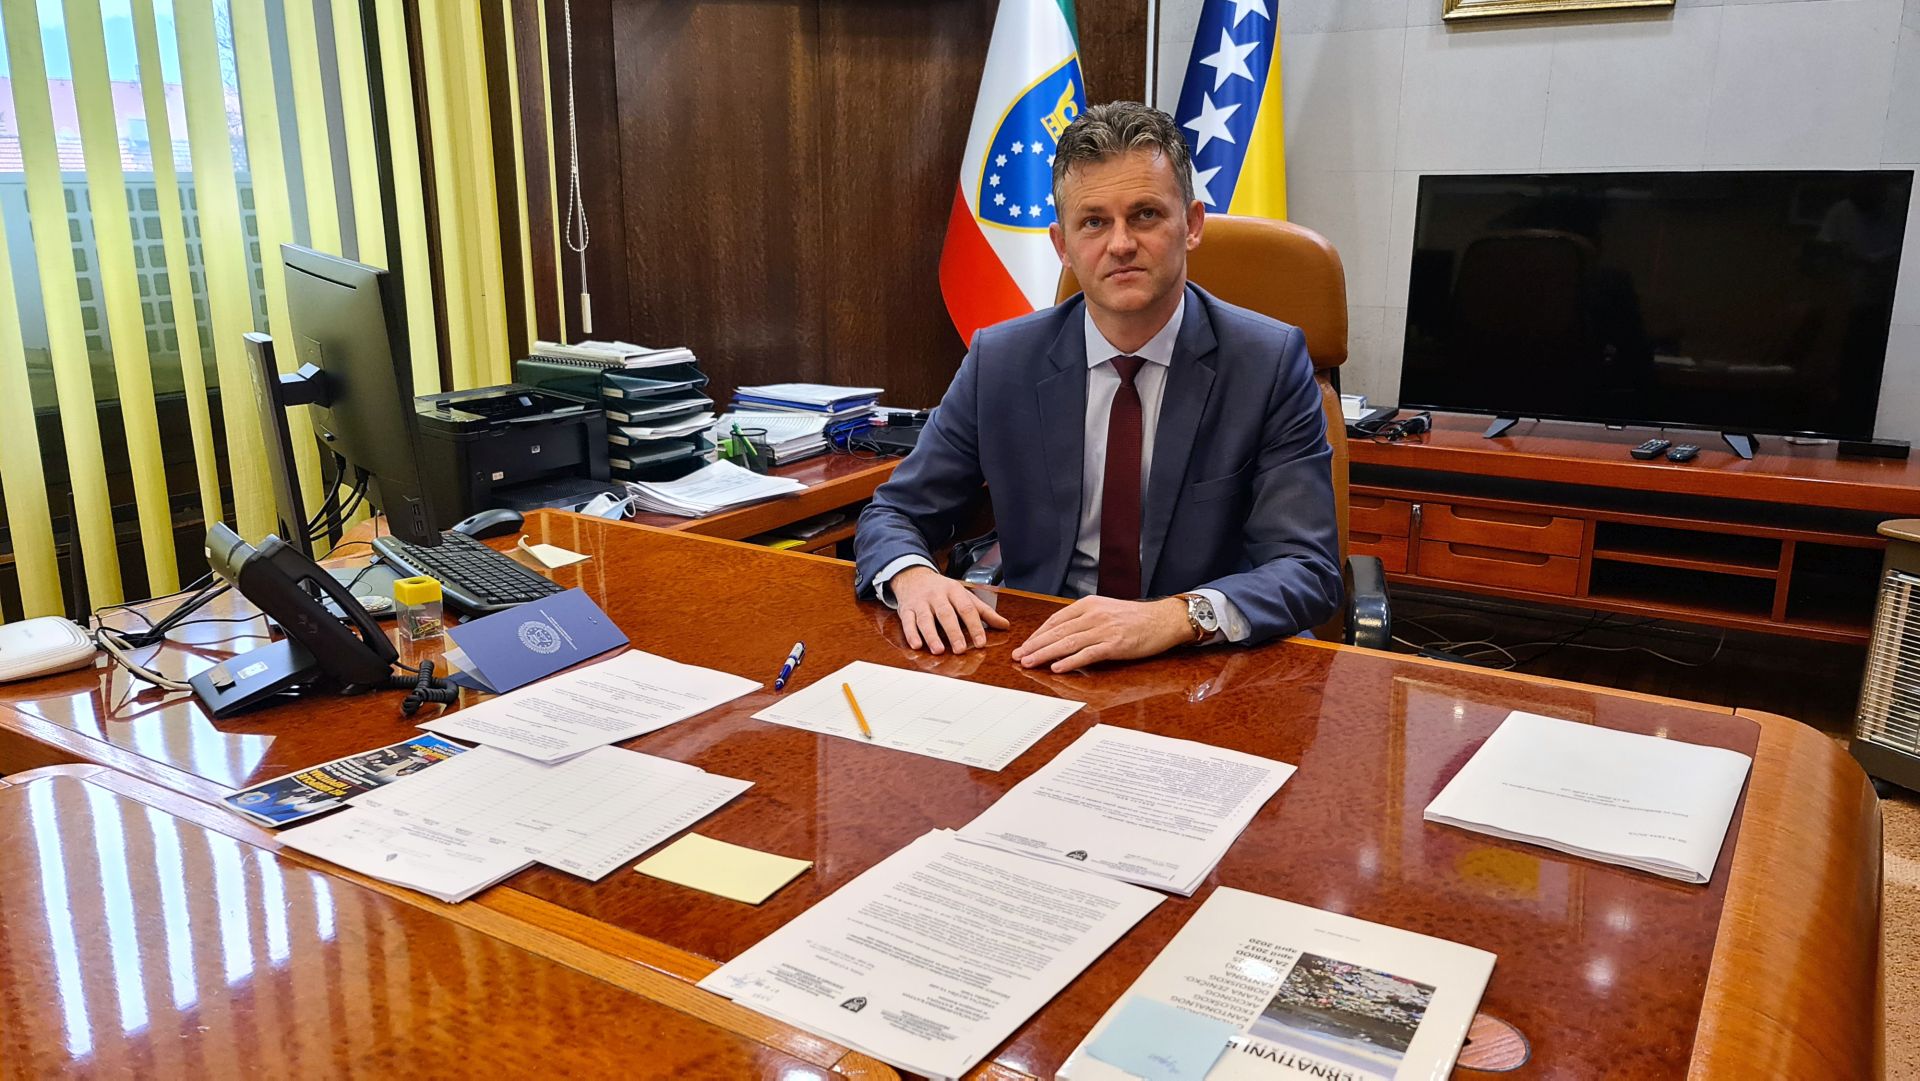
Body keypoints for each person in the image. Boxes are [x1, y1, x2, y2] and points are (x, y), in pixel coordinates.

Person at [854, 101, 1340, 673]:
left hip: (1202, 665)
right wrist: (913, 577)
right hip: (1044, 656)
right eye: (1094, 222)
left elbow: (1307, 568)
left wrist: (1176, 617)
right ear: (1062, 245)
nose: (1121, 244)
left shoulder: (1268, 363)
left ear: (1192, 224)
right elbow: (897, 512)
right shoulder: (1001, 361)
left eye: (1145, 215)